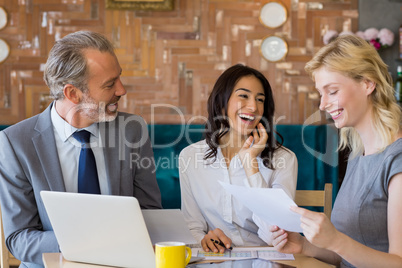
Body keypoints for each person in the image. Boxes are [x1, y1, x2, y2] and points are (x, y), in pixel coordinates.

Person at [0, 30, 162, 268]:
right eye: (109, 84)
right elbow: (19, 239)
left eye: (119, 77)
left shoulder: (132, 131)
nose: (121, 90)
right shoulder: (15, 143)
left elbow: (150, 213)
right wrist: (90, 243)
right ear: (72, 93)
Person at [270, 35, 402, 267]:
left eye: (331, 91)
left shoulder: (397, 159)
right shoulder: (356, 156)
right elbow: (348, 254)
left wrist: (336, 241)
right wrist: (304, 245)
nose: (322, 105)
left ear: (367, 84)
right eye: (321, 93)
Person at [179, 64, 298, 253]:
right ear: (221, 103)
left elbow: (275, 235)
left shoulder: (284, 159)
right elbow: (192, 226)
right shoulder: (190, 157)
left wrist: (251, 165)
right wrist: (203, 240)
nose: (253, 107)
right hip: (213, 260)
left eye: (260, 100)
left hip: (265, 260)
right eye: (243, 96)